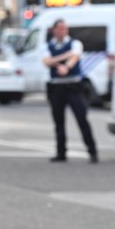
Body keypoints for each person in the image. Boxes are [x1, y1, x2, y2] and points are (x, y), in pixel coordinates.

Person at [43, 19, 98, 163]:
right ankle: (61, 152)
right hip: (56, 86)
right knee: (58, 121)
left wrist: (65, 66)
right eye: (59, 28)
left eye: (64, 28)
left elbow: (74, 57)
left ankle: (92, 150)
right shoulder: (48, 45)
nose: (62, 31)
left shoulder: (75, 43)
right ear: (54, 30)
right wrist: (63, 57)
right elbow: (46, 61)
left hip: (73, 85)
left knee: (82, 118)